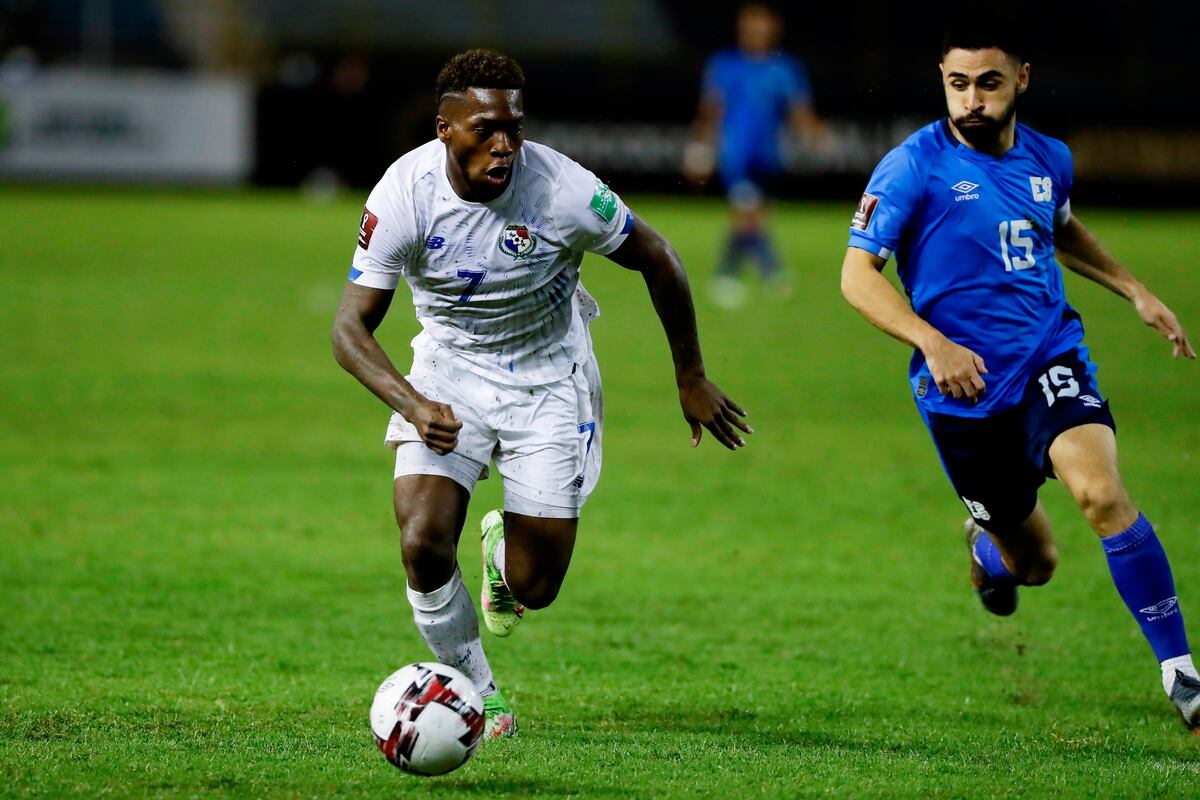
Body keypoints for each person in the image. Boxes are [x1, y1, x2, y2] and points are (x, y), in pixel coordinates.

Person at [332, 49, 750, 739]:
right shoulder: (403, 195)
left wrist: (690, 376)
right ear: (445, 129)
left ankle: (502, 557)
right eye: (486, 130)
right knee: (423, 542)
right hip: (448, 373)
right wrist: (412, 403)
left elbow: (659, 257)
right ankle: (479, 695)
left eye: (514, 129)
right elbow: (349, 330)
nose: (504, 145)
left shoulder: (562, 190)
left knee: (536, 587)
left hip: (549, 381)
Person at [839, 17, 1200, 728]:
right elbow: (856, 276)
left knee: (1101, 494)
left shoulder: (1048, 157)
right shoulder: (912, 166)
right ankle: (988, 553)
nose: (972, 100)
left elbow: (1060, 228)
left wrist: (1133, 289)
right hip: (962, 393)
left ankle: (1182, 673)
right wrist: (932, 342)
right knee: (1036, 565)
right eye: (958, 84)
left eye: (989, 83)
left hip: (1048, 358)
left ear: (1021, 80)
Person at [684, 2, 827, 309]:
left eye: (761, 28)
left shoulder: (785, 68)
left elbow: (799, 108)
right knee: (747, 214)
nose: (755, 34)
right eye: (750, 28)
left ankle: (730, 274)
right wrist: (701, 148)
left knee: (754, 217)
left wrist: (815, 135)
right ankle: (767, 273)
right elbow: (711, 109)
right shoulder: (725, 65)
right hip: (735, 154)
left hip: (768, 154)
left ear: (773, 30)